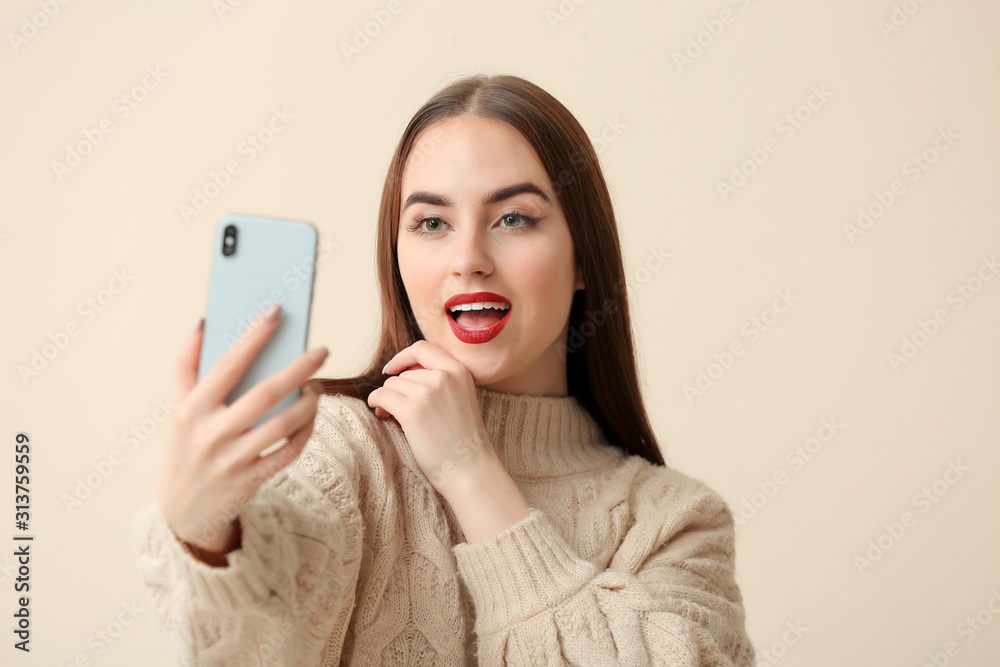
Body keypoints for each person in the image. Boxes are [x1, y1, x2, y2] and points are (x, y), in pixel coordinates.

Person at [132, 73, 756, 666]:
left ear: (584, 258)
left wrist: (469, 468)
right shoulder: (343, 450)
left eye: (514, 218)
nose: (468, 259)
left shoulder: (675, 523)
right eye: (431, 223)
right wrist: (206, 534)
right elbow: (255, 625)